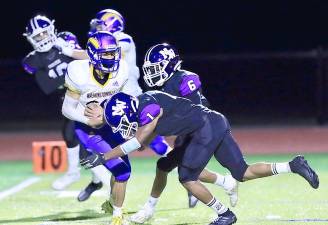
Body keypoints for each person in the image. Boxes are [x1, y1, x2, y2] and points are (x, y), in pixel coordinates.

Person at [80, 90, 319, 225]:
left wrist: (104, 156)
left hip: (204, 128)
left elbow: (138, 141)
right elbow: (138, 139)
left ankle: (224, 214)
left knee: (187, 177)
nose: (124, 126)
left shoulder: (147, 109)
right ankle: (292, 165)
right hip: (212, 123)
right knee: (242, 172)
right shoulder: (141, 104)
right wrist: (102, 118)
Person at [130, 43, 238, 224]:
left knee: (187, 176)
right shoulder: (161, 88)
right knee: (164, 165)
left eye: (155, 68)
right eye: (150, 69)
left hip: (201, 131)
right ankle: (149, 208)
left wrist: (153, 133)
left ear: (169, 64)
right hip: (189, 132)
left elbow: (196, 112)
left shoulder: (184, 79)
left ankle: (224, 212)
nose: (151, 74)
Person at [62, 31, 144, 225]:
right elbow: (66, 109)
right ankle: (117, 217)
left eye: (113, 53)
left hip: (110, 125)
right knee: (121, 171)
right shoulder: (78, 71)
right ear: (92, 54)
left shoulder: (122, 69)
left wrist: (122, 120)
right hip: (88, 128)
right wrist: (90, 120)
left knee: (124, 173)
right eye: (106, 54)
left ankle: (112, 205)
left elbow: (123, 101)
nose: (112, 58)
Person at [21, 15, 107, 201]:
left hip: (89, 95)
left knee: (80, 138)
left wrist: (66, 49)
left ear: (52, 29)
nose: (43, 38)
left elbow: (88, 57)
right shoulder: (33, 60)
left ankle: (97, 179)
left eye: (45, 32)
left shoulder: (66, 39)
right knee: (72, 136)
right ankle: (94, 177)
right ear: (30, 38)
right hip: (70, 99)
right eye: (38, 36)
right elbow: (45, 80)